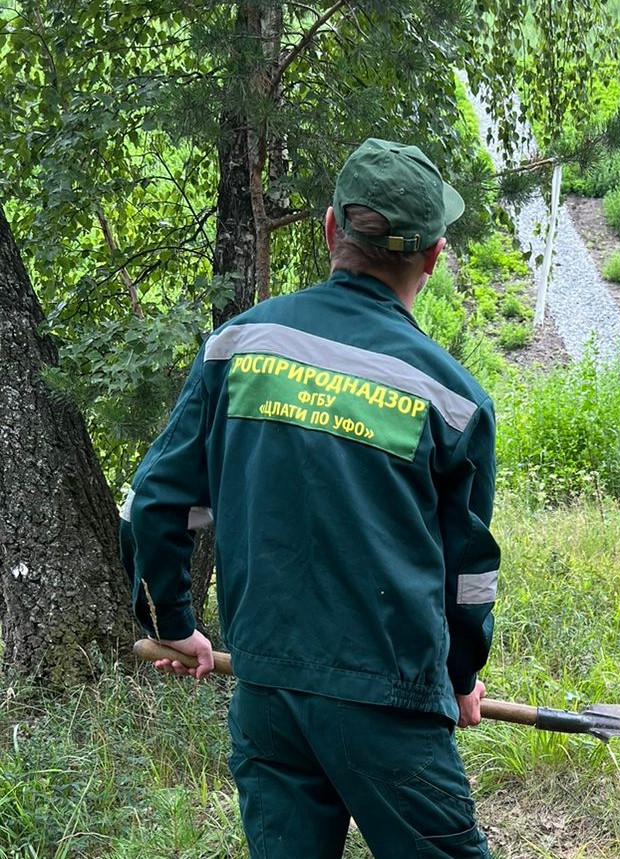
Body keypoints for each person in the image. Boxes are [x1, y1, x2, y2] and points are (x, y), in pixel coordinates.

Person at [125, 138, 499, 859]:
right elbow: (470, 575)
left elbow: (157, 500)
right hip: (390, 705)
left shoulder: (237, 347)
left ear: (330, 230)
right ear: (433, 257)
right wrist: (461, 677)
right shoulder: (452, 399)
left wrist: (173, 620)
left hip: (267, 691)